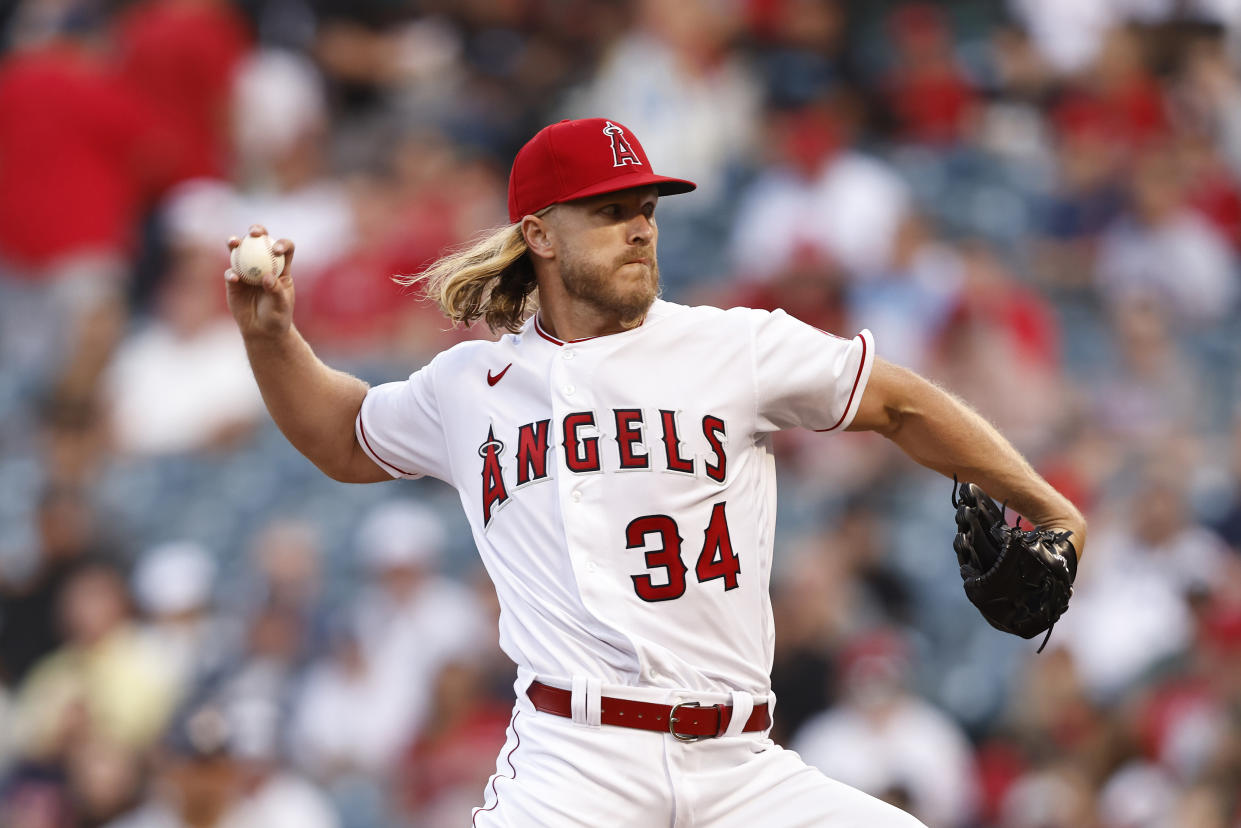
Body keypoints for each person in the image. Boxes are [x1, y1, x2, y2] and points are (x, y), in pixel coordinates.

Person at [224, 117, 1086, 826]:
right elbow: (341, 435)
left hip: (741, 764)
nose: (640, 226)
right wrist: (270, 337)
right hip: (575, 762)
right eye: (609, 211)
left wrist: (1051, 509)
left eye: (645, 207)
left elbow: (899, 403)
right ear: (538, 236)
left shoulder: (730, 346)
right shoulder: (470, 386)